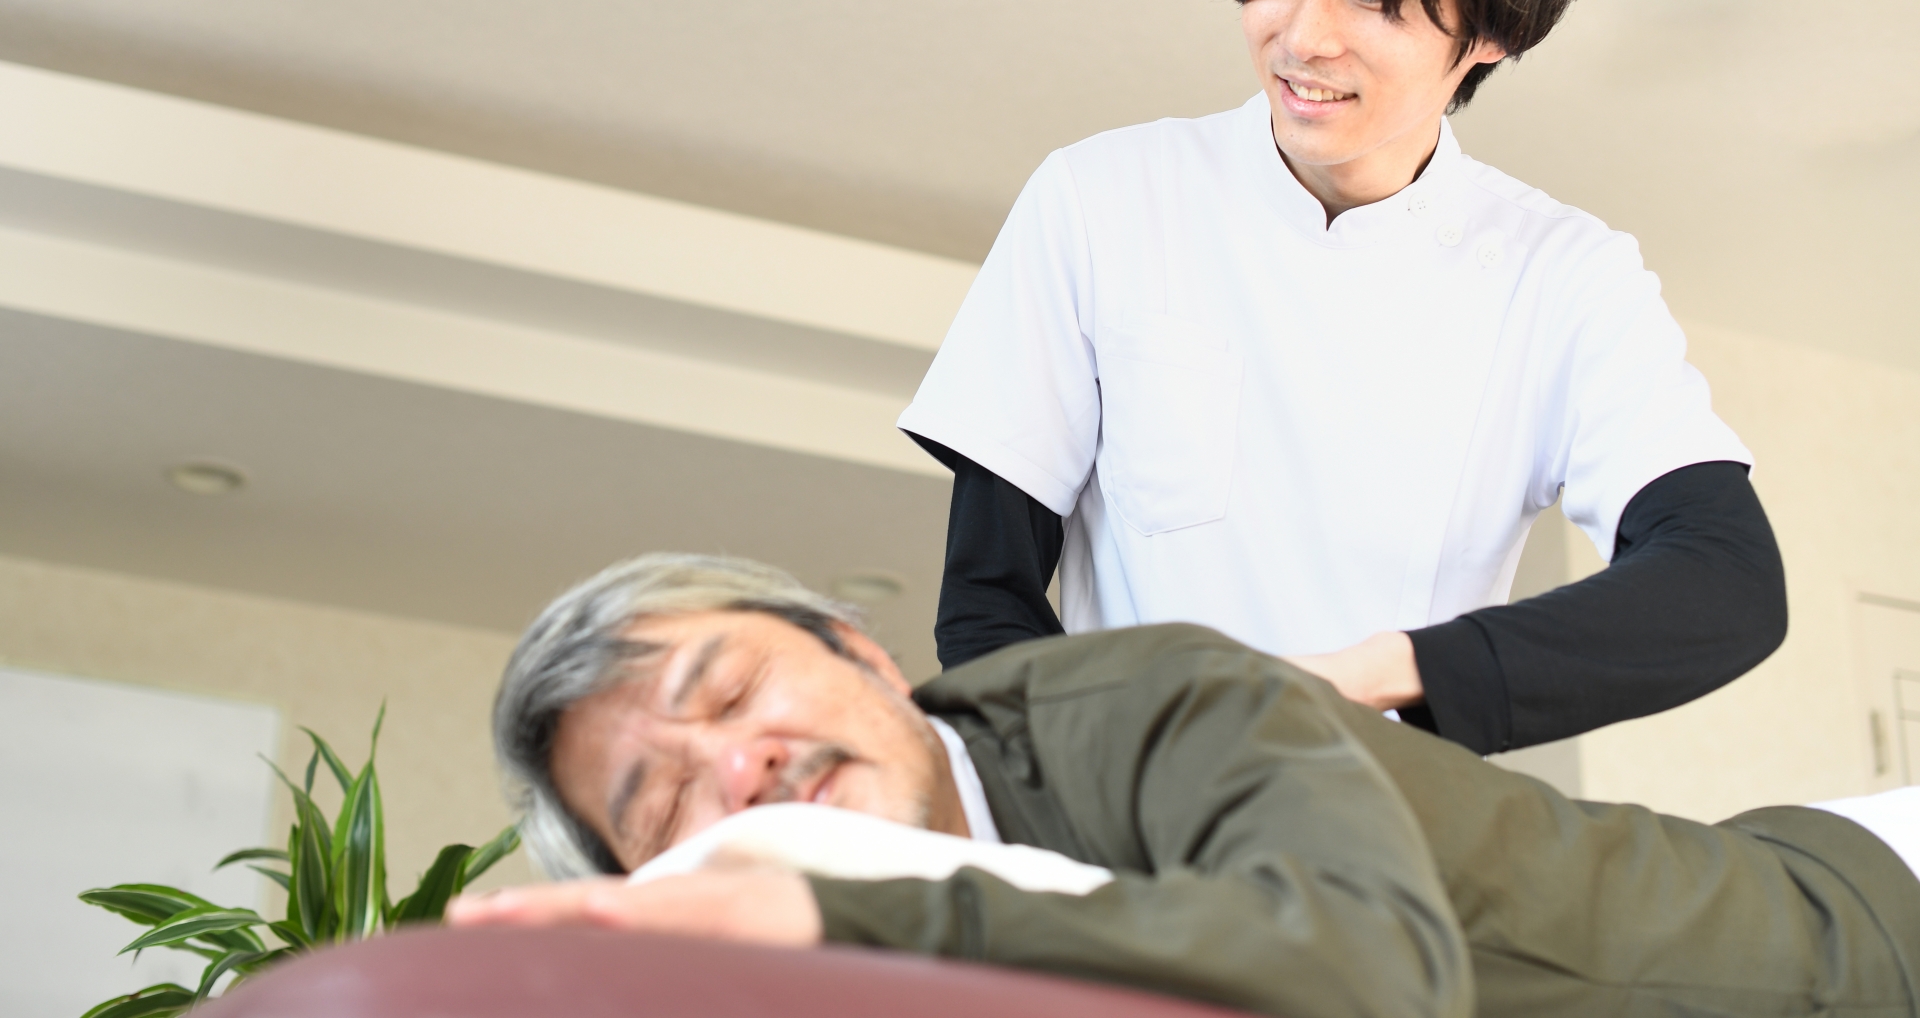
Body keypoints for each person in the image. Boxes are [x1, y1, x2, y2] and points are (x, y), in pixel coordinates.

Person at [898, 0, 1786, 755]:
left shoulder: (1565, 277)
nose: (1303, 37)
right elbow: (987, 608)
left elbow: (1726, 581)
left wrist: (1350, 682)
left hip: (1390, 809)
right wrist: (1086, 784)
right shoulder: (1101, 198)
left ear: (1492, 31)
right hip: (1122, 796)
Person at [450, 555, 1920, 1018]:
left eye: (728, 692)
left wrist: (831, 915)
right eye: (662, 801)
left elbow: (1369, 972)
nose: (738, 765)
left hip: (1863, 922)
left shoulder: (1145, 693)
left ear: (862, 652)